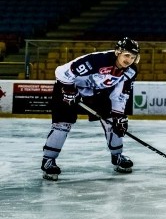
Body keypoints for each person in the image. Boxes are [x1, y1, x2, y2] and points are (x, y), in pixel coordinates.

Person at [40, 38, 139, 181]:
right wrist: (68, 89)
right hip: (67, 87)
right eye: (126, 55)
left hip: (96, 92)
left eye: (132, 57)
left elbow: (120, 95)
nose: (129, 60)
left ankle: (117, 156)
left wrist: (119, 115)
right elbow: (61, 72)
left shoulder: (130, 71)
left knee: (113, 122)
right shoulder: (97, 60)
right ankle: (48, 161)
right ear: (118, 52)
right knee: (63, 124)